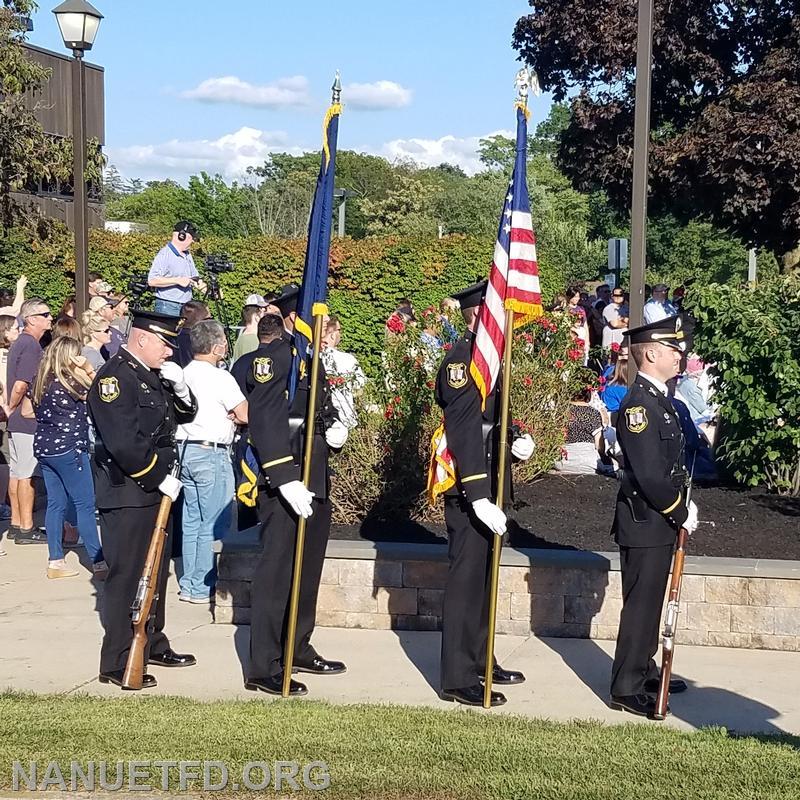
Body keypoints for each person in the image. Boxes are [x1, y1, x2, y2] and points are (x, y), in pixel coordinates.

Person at [433, 280, 535, 707]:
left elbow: (492, 419)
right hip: (470, 488)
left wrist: (514, 438)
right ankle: (457, 676)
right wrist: (477, 493)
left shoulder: (491, 360)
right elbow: (463, 428)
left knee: (485, 579)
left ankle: (479, 658)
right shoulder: (462, 362)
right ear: (477, 315)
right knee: (466, 580)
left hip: (490, 484)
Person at [245, 284, 349, 697]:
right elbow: (265, 420)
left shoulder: (308, 359)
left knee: (307, 569)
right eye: (314, 315)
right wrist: (284, 478)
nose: (321, 324)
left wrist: (334, 424)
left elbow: (316, 409)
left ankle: (297, 646)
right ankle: (263, 664)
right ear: (294, 317)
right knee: (277, 572)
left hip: (314, 476)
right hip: (285, 480)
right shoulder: (277, 358)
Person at [88, 310, 199, 690]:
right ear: (141, 339)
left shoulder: (151, 375)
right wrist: (157, 477)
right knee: (127, 575)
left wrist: (182, 391)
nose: (169, 351)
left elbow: (182, 418)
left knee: (154, 573)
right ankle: (117, 658)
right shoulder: (115, 378)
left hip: (156, 490)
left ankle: (152, 640)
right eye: (165, 343)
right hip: (128, 492)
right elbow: (123, 442)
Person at [609, 315, 698, 719]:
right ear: (649, 353)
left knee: (650, 601)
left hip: (657, 520)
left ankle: (643, 670)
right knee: (641, 606)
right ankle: (626, 685)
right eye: (673, 350)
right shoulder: (638, 407)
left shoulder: (661, 400)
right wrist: (679, 510)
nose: (681, 357)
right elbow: (647, 473)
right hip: (646, 519)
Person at [176, 320, 247, 603]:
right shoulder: (221, 378)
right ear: (217, 347)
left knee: (191, 520)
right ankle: (203, 584)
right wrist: (234, 416)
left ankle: (189, 583)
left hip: (185, 449)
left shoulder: (183, 373)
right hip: (212, 451)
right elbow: (244, 413)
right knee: (213, 522)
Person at [32, 337, 105, 579]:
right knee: (85, 504)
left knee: (55, 503)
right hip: (70, 447)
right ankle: (99, 562)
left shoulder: (41, 381)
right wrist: (87, 368)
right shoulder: (71, 382)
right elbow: (100, 394)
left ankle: (56, 560)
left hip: (45, 447)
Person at [4, 298, 51, 545]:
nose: (50, 318)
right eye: (45, 314)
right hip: (26, 419)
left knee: (16, 472)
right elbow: (22, 384)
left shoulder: (21, 343)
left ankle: (15, 522)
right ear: (31, 319)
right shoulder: (31, 346)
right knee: (27, 474)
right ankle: (26, 527)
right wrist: (12, 407)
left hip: (17, 420)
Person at [147, 221, 207, 316]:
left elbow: (195, 279)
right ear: (182, 236)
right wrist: (177, 280)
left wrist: (209, 290)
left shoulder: (187, 255)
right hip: (167, 306)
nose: (192, 241)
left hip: (186, 307)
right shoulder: (165, 254)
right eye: (191, 238)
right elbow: (152, 280)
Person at [321, 315, 366, 429]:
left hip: (321, 420)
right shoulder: (348, 360)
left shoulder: (312, 356)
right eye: (339, 330)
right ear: (332, 334)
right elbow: (360, 390)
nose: (340, 334)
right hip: (345, 419)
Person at [553, 387, 605, 475]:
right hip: (589, 461)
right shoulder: (594, 413)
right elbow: (599, 446)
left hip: (564, 460)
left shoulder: (562, 412)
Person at [172, 300, 211, 368]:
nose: (211, 322)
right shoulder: (196, 341)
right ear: (199, 321)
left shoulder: (174, 336)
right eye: (208, 319)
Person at [232, 295, 268, 363]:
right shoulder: (252, 340)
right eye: (264, 310)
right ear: (257, 315)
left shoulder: (243, 337)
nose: (265, 314)